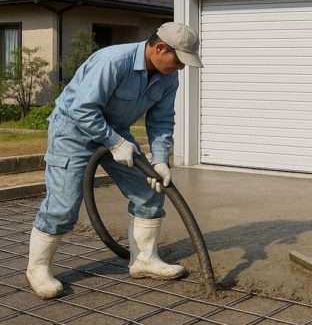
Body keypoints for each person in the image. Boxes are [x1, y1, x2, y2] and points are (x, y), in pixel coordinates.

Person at [26, 22, 204, 299]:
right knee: (63, 207)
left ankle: (144, 260)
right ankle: (37, 269)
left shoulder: (168, 76)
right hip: (72, 131)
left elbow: (161, 120)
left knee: (149, 189)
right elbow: (82, 109)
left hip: (115, 132)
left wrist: (160, 160)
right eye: (179, 60)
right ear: (159, 48)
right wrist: (115, 143)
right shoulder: (111, 62)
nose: (181, 67)